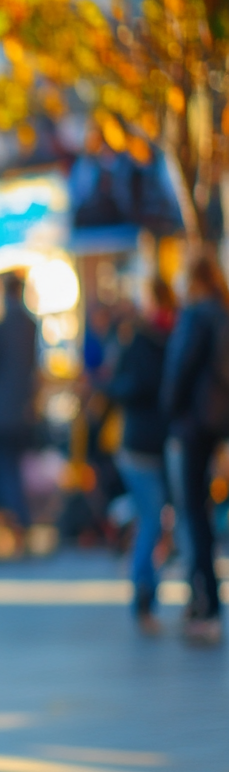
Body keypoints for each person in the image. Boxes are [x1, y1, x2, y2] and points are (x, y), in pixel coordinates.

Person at [161, 254, 229, 646]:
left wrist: (170, 411)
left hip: (192, 426)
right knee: (200, 513)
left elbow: (180, 371)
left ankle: (204, 601)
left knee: (192, 514)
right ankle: (208, 602)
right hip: (217, 424)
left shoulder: (196, 316)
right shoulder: (221, 312)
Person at [109, 278, 176, 635]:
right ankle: (143, 594)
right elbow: (122, 386)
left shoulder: (154, 338)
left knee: (152, 520)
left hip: (153, 443)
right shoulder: (143, 341)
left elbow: (117, 385)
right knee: (152, 520)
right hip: (142, 445)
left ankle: (146, 592)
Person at [0, 273, 38, 529]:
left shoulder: (1, 325)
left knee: (3, 468)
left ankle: (16, 521)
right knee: (13, 467)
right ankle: (17, 520)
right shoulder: (29, 324)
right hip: (21, 409)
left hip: (0, 411)